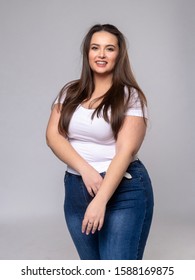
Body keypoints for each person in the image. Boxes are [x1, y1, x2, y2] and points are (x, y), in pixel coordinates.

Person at [46, 24, 154, 260]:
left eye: (109, 49)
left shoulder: (130, 96)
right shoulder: (70, 92)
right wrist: (86, 170)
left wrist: (101, 199)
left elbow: (126, 151)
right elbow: (53, 136)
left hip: (122, 189)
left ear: (119, 55)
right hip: (77, 187)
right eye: (95, 48)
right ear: (87, 53)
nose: (101, 55)